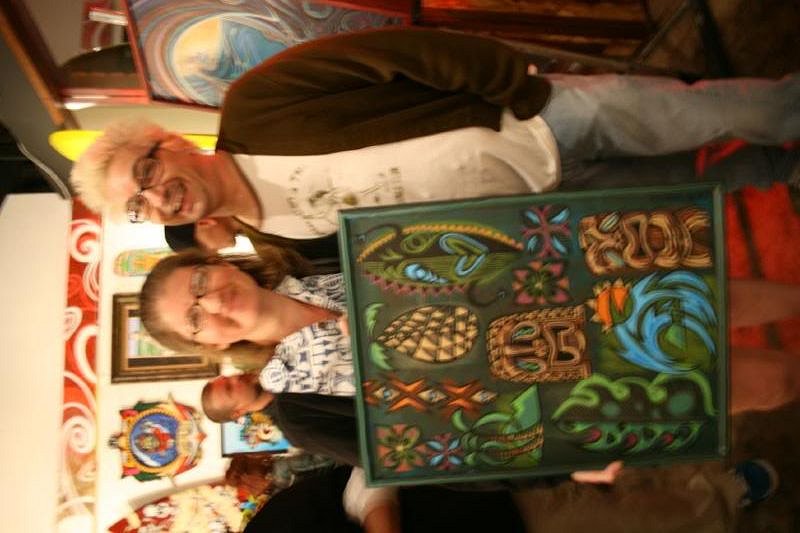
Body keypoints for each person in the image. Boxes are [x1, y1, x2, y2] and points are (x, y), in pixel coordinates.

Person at [69, 28, 800, 238]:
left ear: (167, 141)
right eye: (136, 206)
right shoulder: (278, 239)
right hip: (548, 200)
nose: (155, 198)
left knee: (712, 112)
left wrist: (519, 87)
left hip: (536, 118)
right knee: (696, 186)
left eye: (143, 173)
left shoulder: (255, 103)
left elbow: (396, 55)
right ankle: (781, 168)